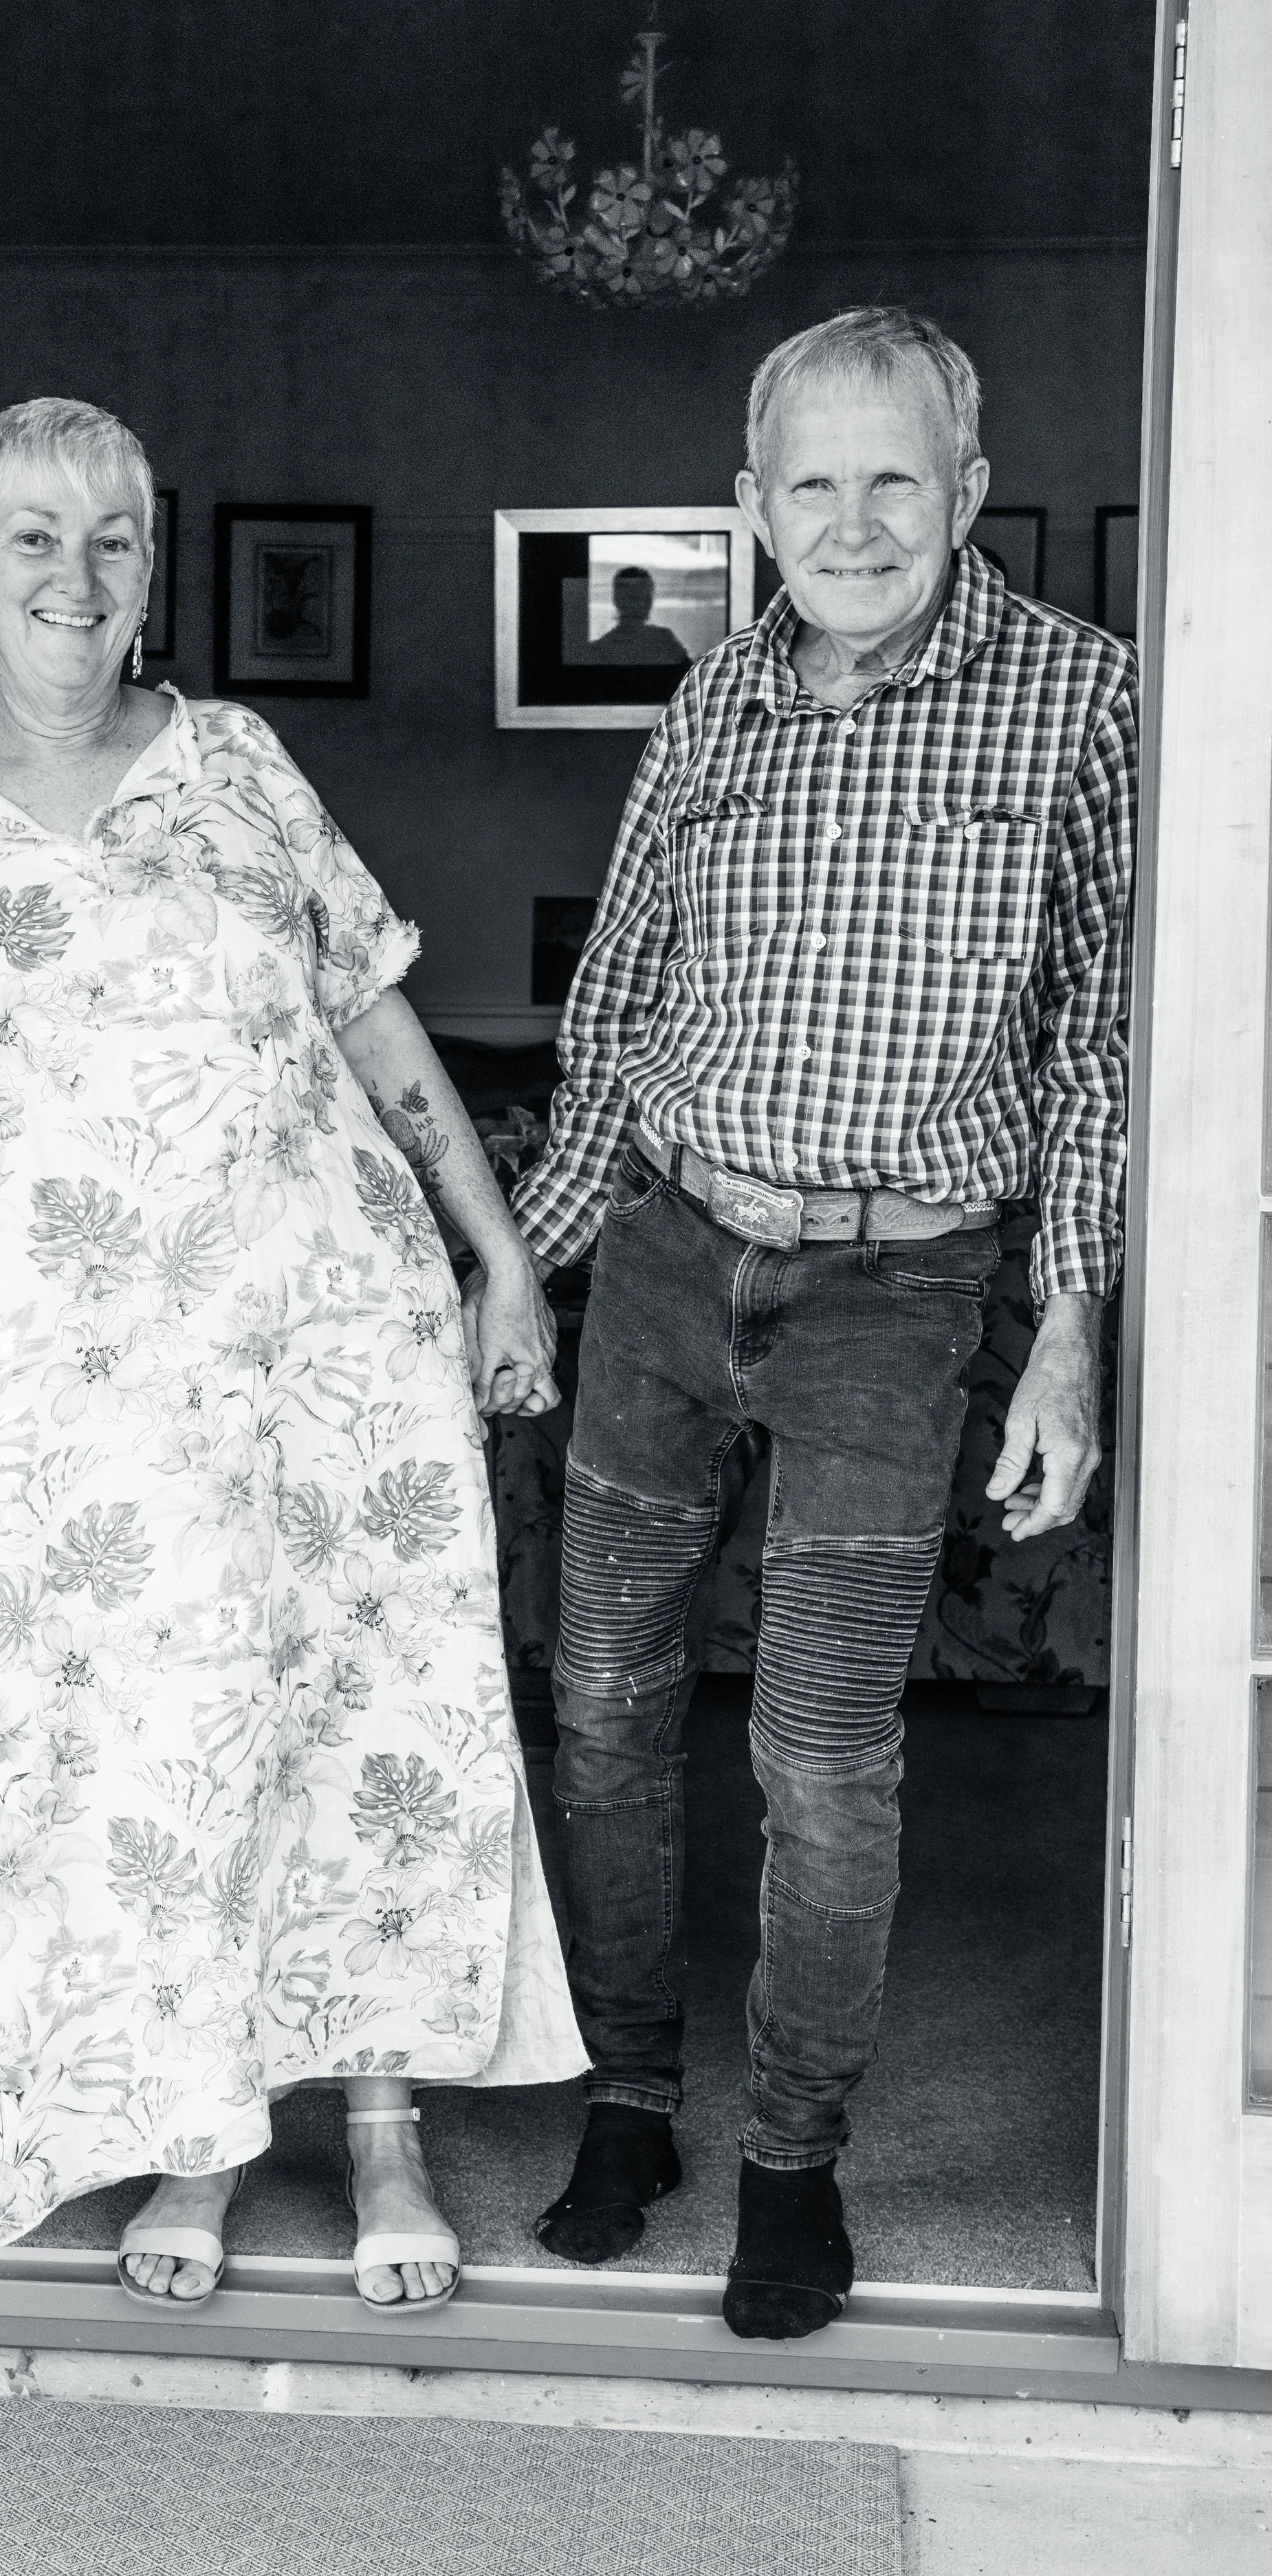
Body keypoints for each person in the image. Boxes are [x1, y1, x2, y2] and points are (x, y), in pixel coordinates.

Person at [0, 396, 586, 2315]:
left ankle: (388, 2129)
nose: (73, 575)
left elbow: (376, 1019)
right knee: (149, 1756)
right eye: (30, 537)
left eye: (110, 536)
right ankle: (194, 2134)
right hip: (77, 1396)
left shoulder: (238, 765)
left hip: (329, 1348)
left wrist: (497, 1258)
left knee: (372, 1718)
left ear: (149, 565)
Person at [501, 307, 1134, 2339]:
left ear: (962, 490)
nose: (848, 520)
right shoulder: (708, 702)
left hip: (897, 1279)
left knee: (816, 1746)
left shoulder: (1080, 704)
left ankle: (786, 2149)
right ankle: (628, 2100)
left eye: (891, 479)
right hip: (674, 1255)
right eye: (808, 482)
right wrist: (521, 1266)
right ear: (750, 503)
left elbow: (1102, 1051)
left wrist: (1066, 1324)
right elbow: (607, 1018)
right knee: (598, 1706)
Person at [584, 565, 690, 666]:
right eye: (635, 598)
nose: (642, 604)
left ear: (616, 600)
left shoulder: (599, 650)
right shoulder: (665, 641)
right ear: (618, 600)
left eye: (646, 598)